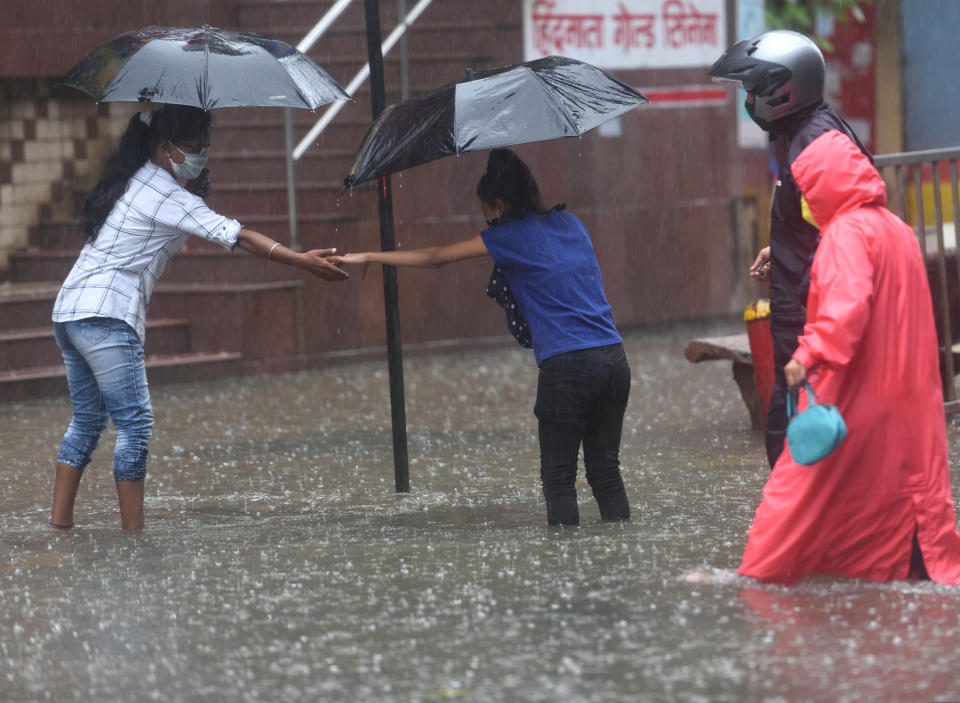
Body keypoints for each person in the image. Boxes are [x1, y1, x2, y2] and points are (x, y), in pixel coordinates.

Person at [50, 104, 349, 531]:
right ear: (167, 148)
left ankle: (59, 527)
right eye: (194, 147)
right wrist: (300, 260)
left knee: (87, 421)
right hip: (106, 314)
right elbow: (237, 235)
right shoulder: (165, 193)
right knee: (134, 425)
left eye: (206, 146)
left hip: (70, 310)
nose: (201, 155)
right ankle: (134, 539)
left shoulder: (132, 179)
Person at [330, 149, 630, 526]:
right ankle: (619, 561)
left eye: (485, 212)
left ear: (500, 204)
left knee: (558, 481)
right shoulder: (571, 224)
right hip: (614, 360)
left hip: (568, 366)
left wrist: (370, 256)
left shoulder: (508, 236)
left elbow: (436, 256)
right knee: (605, 472)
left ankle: (565, 573)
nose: (484, 221)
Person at [737, 129, 960, 584]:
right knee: (903, 488)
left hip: (859, 392)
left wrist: (810, 351)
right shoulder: (893, 227)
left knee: (797, 489)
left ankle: (756, 579)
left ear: (822, 186)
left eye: (804, 191)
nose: (802, 203)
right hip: (907, 395)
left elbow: (847, 305)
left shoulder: (845, 234)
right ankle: (915, 570)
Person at [710, 30, 871, 467]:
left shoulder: (815, 147)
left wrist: (814, 347)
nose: (747, 102)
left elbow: (854, 246)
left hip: (810, 335)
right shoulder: (799, 134)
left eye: (752, 90)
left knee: (799, 459)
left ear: (782, 89)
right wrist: (781, 245)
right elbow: (820, 221)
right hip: (800, 329)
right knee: (793, 452)